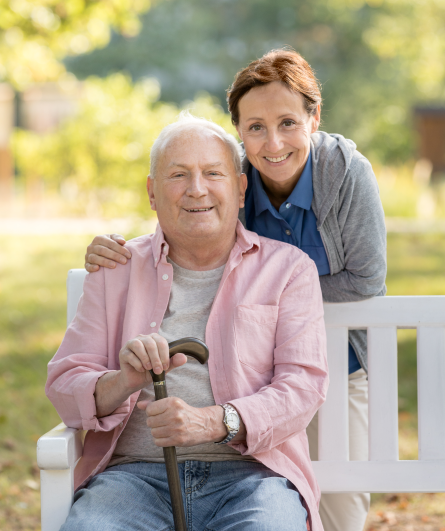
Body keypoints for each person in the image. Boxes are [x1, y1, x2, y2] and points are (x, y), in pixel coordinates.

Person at [85, 49, 387, 531]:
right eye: (255, 128)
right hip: (254, 366)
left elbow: (367, 278)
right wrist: (115, 250)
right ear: (241, 134)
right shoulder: (234, 175)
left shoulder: (345, 174)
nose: (273, 143)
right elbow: (189, 221)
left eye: (288, 122)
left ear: (315, 118)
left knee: (340, 508)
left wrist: (289, 287)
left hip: (339, 353)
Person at [47, 115, 328, 531]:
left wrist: (214, 421)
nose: (197, 189)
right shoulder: (115, 269)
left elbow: (302, 387)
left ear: (240, 187)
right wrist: (122, 380)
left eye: (212, 173)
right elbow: (65, 387)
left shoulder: (288, 270)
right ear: (152, 192)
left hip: (254, 477)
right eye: (178, 174)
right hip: (132, 477)